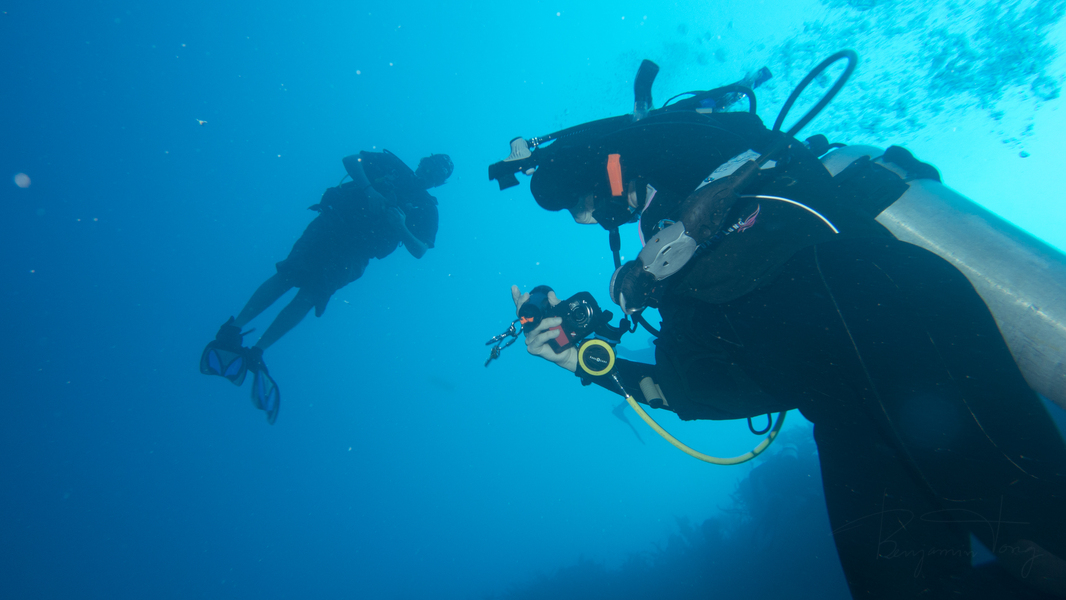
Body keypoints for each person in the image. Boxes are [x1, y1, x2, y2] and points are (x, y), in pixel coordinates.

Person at [495, 55, 1066, 598]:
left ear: (609, 168)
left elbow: (701, 143)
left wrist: (555, 162)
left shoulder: (704, 158)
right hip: (841, 409)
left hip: (897, 320)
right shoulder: (674, 279)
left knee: (1043, 547)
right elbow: (710, 389)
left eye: (584, 205)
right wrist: (588, 361)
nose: (586, 220)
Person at [200, 150, 453, 423]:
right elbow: (350, 160)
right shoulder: (391, 165)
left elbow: (420, 250)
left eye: (437, 174)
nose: (430, 173)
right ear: (422, 162)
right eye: (430, 166)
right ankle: (233, 329)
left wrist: (401, 226)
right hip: (333, 224)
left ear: (440, 183)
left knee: (310, 296)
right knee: (288, 275)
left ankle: (258, 350)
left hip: (355, 253)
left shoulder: (427, 209)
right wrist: (369, 191)